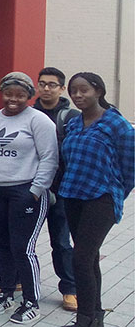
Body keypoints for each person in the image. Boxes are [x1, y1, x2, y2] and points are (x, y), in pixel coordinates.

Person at [0, 72, 58, 324]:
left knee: (24, 248)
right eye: (9, 94)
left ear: (29, 96)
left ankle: (31, 301)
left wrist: (35, 190)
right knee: (4, 245)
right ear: (2, 93)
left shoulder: (39, 120)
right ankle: (7, 292)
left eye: (20, 95)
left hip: (25, 192)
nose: (13, 99)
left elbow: (49, 159)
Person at [60, 73, 133, 327]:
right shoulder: (73, 123)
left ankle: (85, 318)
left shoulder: (116, 124)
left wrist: (116, 195)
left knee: (80, 259)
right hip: (73, 196)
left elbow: (130, 168)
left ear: (99, 91)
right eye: (73, 92)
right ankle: (96, 316)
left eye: (84, 90)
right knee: (89, 258)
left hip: (101, 199)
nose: (78, 96)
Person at [33, 67, 80, 311]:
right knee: (23, 241)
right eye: (42, 83)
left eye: (52, 84)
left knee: (61, 242)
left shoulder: (70, 117)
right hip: (31, 189)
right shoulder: (28, 113)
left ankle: (70, 289)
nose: (46, 88)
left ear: (62, 89)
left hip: (60, 191)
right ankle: (19, 279)